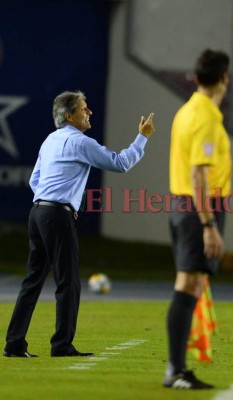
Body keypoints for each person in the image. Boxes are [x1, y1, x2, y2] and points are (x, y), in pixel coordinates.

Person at [3, 90, 155, 358]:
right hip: (57, 216)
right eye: (84, 108)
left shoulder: (49, 141)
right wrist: (142, 137)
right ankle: (61, 345)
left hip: (37, 212)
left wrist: (54, 196)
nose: (89, 112)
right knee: (68, 282)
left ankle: (14, 343)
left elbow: (34, 181)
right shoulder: (81, 142)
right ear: (69, 115)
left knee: (33, 280)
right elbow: (120, 163)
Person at [164, 49, 231, 389]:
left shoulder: (186, 111)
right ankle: (175, 370)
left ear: (195, 77)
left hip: (185, 205)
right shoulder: (205, 116)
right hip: (197, 208)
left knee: (192, 283)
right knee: (187, 282)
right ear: (224, 79)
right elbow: (199, 175)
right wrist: (208, 225)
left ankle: (178, 368)